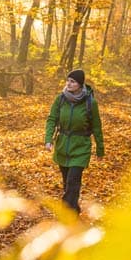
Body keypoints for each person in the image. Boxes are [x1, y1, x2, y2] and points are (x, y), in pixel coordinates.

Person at [44, 69, 105, 215]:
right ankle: (74, 208)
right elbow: (52, 119)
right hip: (63, 146)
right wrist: (48, 139)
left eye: (73, 81)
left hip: (81, 147)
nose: (69, 84)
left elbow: (97, 127)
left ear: (80, 84)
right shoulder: (60, 99)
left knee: (72, 181)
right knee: (67, 183)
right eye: (68, 80)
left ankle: (66, 214)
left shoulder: (91, 103)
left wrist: (100, 149)